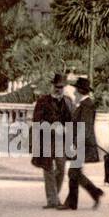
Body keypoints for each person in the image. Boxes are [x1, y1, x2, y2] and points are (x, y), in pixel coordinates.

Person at [62, 77, 103, 211]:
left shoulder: (86, 105)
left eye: (75, 91)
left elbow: (84, 127)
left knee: (73, 172)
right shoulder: (85, 105)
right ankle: (76, 201)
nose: (74, 93)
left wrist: (75, 143)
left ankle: (92, 193)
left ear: (80, 91)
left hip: (82, 145)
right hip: (81, 144)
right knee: (74, 172)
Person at [31, 73, 70, 208]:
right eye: (57, 86)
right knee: (48, 169)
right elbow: (37, 121)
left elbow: (71, 120)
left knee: (61, 168)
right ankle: (52, 200)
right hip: (46, 140)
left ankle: (54, 195)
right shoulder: (42, 101)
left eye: (61, 87)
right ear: (52, 86)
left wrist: (67, 129)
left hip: (61, 141)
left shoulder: (67, 102)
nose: (59, 89)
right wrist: (52, 127)